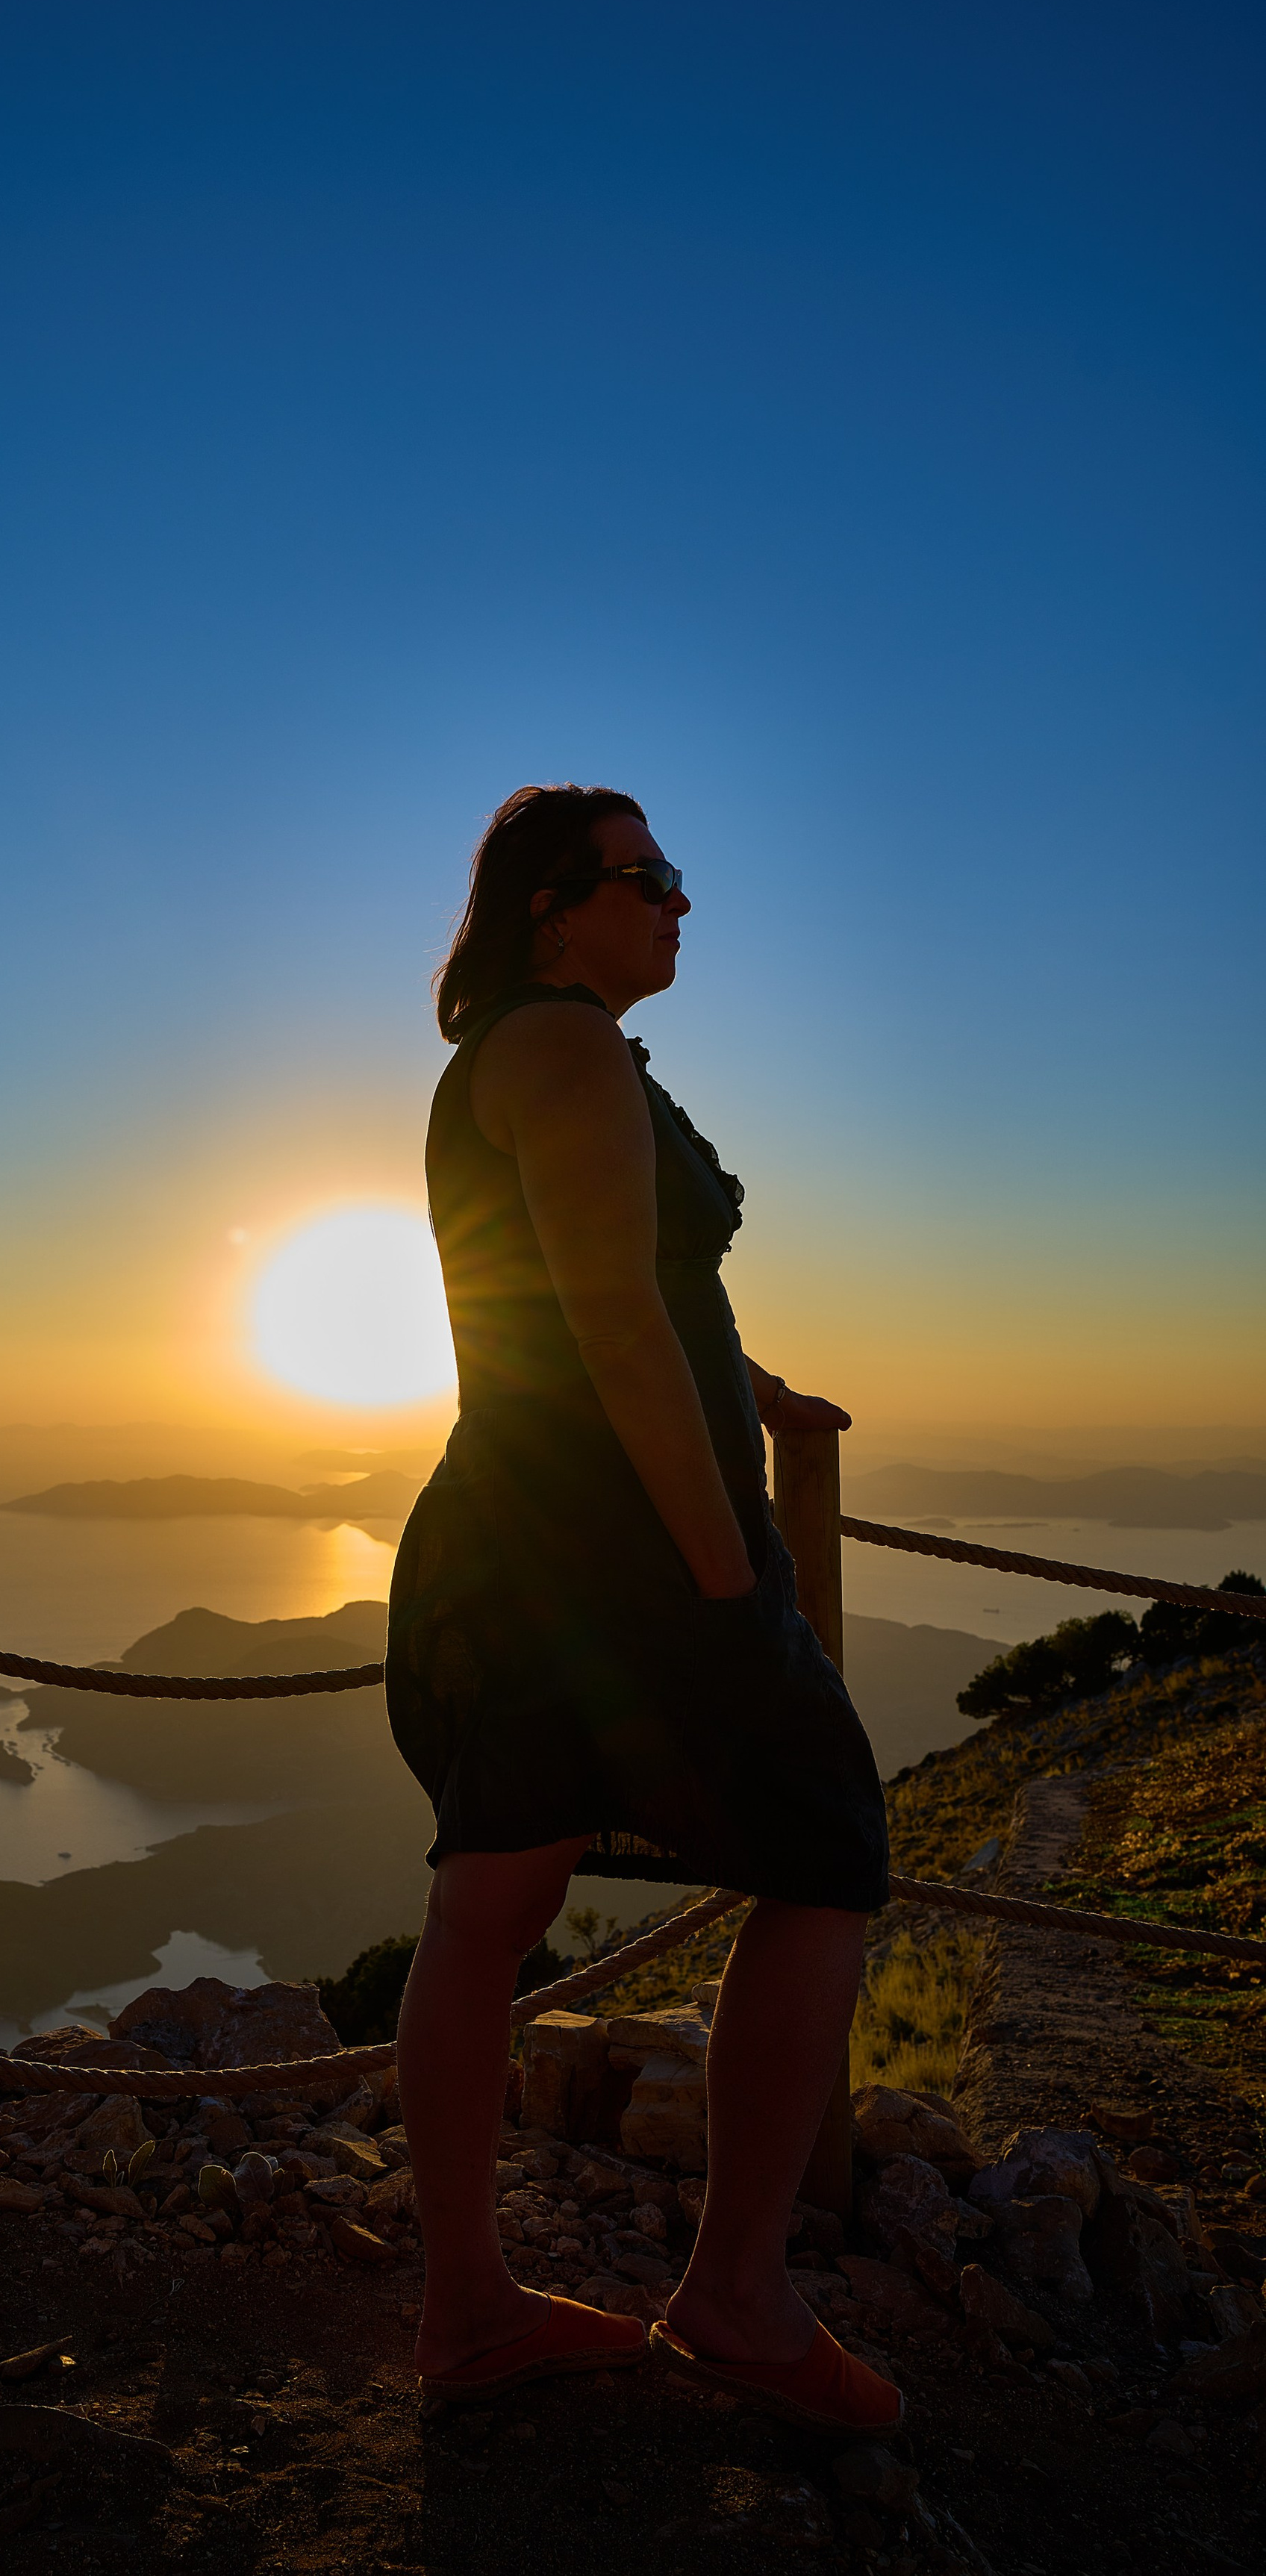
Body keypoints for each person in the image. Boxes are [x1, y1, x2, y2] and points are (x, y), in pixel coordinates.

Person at [386, 782, 897, 2435]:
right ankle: (735, 2297)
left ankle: (466, 2309)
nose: (680, 905)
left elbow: (603, 1290)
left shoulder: (530, 1056)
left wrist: (749, 1388)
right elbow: (604, 1316)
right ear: (555, 905)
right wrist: (725, 1570)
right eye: (650, 878)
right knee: (825, 1850)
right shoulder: (563, 1050)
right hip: (619, 1553)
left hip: (521, 1539)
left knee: (491, 1901)